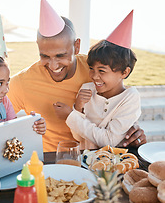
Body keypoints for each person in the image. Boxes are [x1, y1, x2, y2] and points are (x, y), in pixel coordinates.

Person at [8, 0, 146, 152]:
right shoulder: (22, 82)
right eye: (45, 56)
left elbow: (119, 103)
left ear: (77, 46)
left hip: (92, 157)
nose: (53, 65)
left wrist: (131, 130)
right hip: (48, 160)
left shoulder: (94, 69)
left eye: (61, 55)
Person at [54, 10, 142, 149]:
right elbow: (78, 137)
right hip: (85, 159)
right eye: (91, 68)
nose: (94, 76)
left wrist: (71, 115)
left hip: (113, 163)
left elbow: (109, 141)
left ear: (124, 72)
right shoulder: (86, 89)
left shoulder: (130, 98)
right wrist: (78, 108)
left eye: (101, 71)